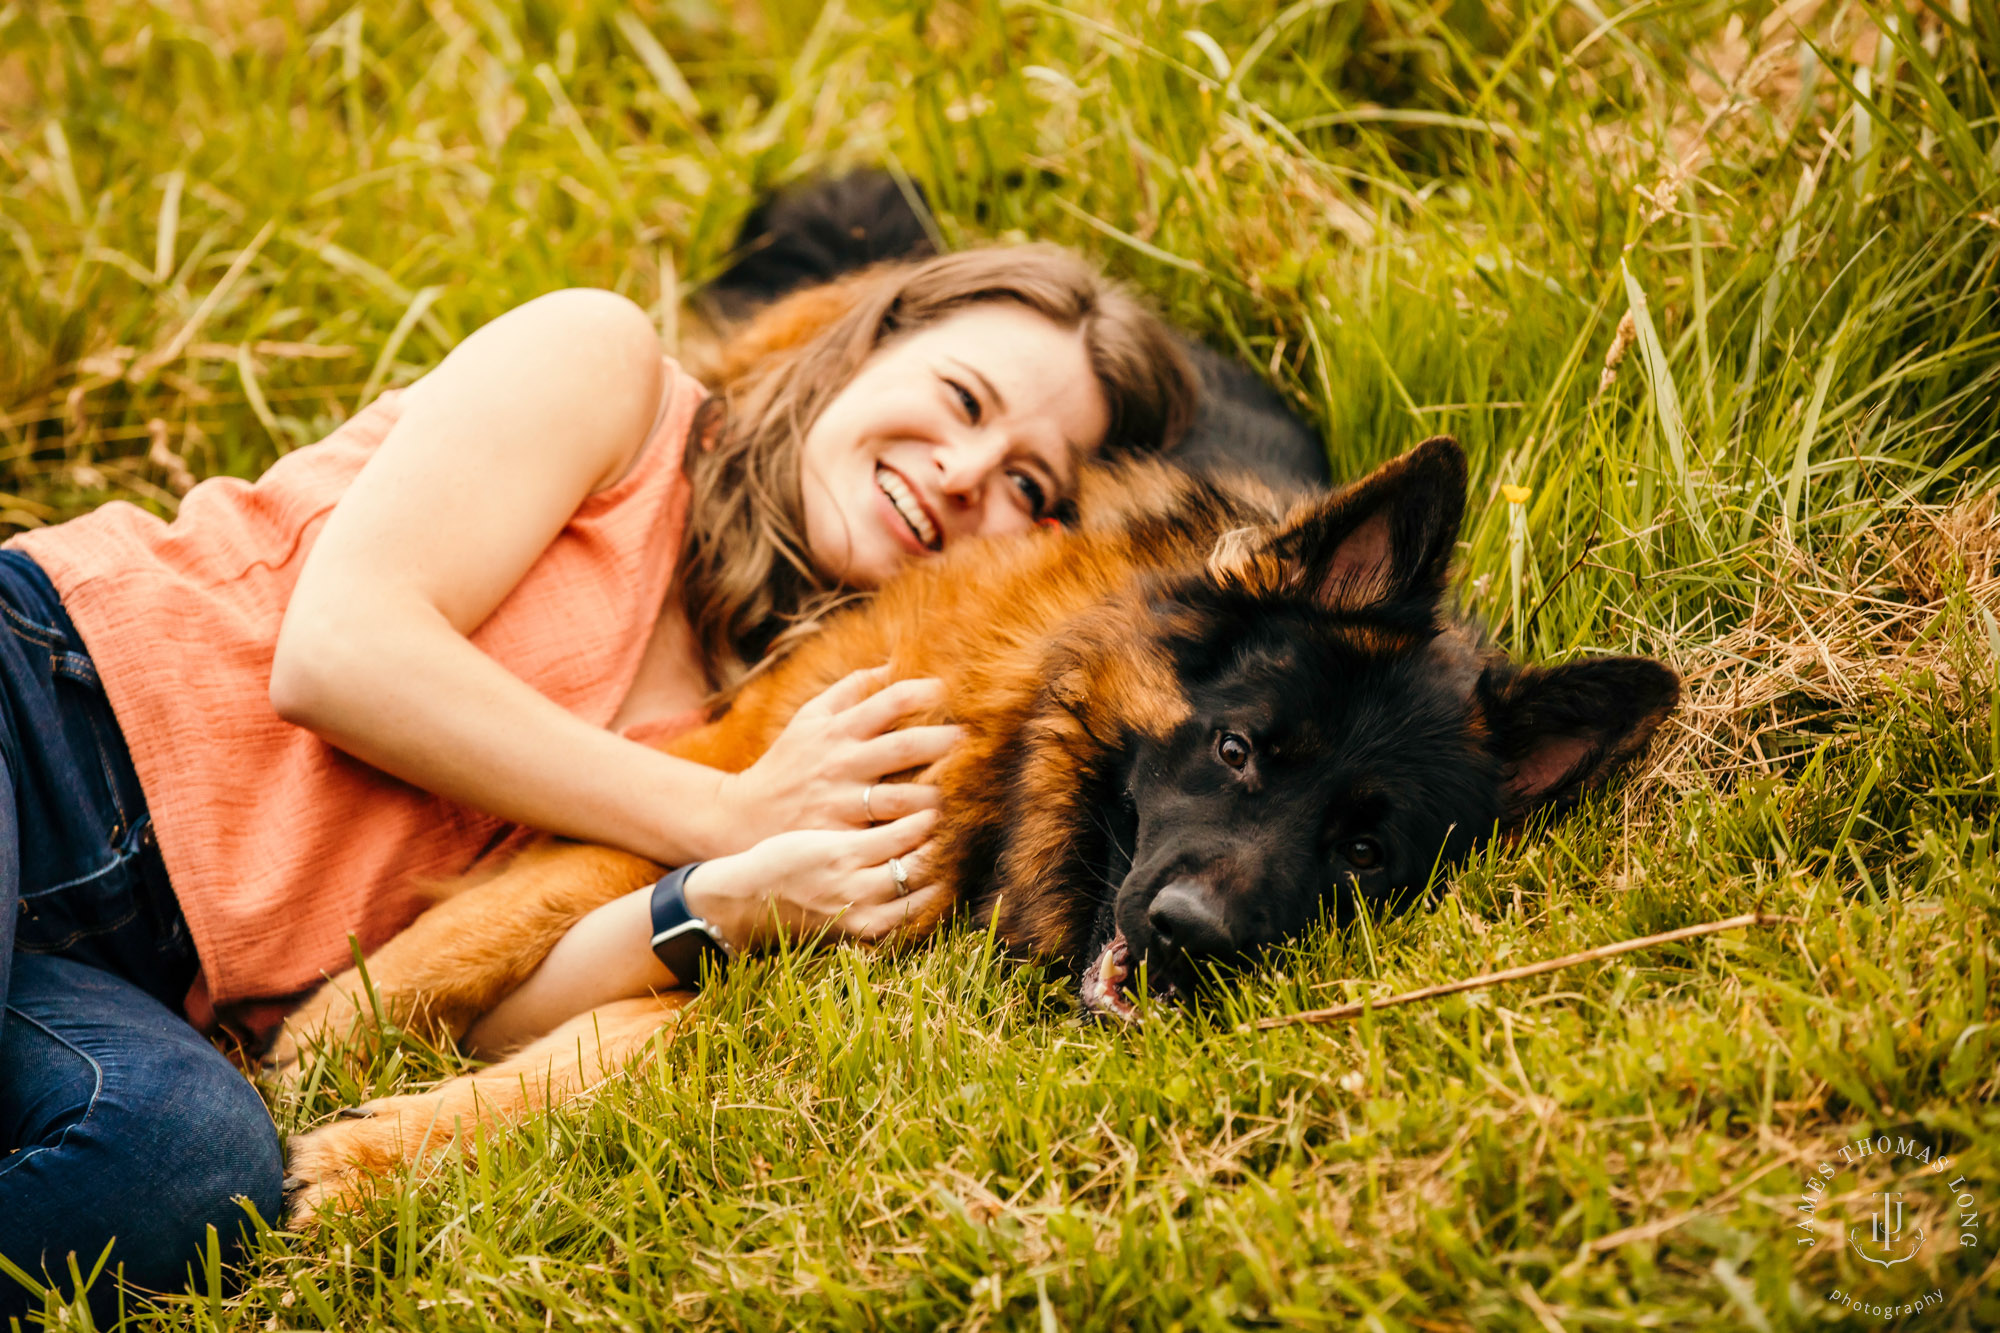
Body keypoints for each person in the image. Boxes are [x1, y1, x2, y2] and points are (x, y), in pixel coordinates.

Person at [0, 243, 1197, 1317]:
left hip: (143, 978)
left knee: (185, 1172)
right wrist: (723, 815)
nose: (961, 470)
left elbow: (484, 1011)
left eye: (1028, 484)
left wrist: (714, 901)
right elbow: (340, 651)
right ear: (863, 345)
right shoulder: (615, 383)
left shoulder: (793, 714)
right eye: (959, 399)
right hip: (49, 713)